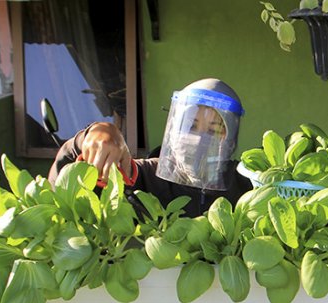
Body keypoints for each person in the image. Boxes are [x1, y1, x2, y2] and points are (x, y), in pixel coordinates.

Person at [48, 78, 251, 216]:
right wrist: (90, 137)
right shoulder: (144, 177)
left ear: (231, 139)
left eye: (215, 130)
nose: (199, 139)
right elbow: (62, 185)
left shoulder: (248, 184)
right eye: (191, 126)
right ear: (174, 129)